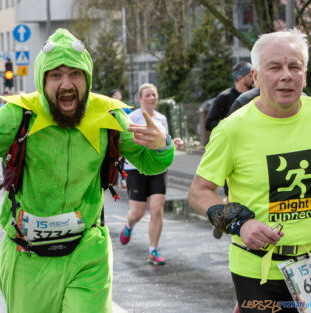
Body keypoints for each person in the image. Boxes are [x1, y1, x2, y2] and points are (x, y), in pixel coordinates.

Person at [0, 28, 174, 313]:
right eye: (56, 75)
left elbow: (150, 163)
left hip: (87, 254)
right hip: (28, 259)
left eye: (75, 74)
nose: (66, 84)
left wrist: (163, 145)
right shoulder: (19, 114)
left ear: (87, 78)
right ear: (43, 81)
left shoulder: (108, 114)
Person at [188, 29, 311, 313]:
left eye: (295, 67)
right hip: (258, 272)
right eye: (274, 67)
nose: (286, 75)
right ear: (255, 76)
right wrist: (239, 224)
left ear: (304, 74)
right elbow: (198, 192)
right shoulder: (232, 130)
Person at [119, 83, 183, 265]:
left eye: (154, 95)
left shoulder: (162, 119)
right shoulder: (131, 118)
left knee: (157, 209)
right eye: (147, 95)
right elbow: (127, 145)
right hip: (135, 168)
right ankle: (129, 224)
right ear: (140, 99)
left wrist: (172, 143)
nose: (152, 98)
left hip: (158, 169)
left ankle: (152, 250)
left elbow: (164, 142)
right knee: (137, 212)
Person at [205, 62, 254, 132]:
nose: (253, 78)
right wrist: (229, 127)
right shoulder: (224, 97)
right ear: (240, 78)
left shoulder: (257, 95)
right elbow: (209, 123)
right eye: (250, 76)